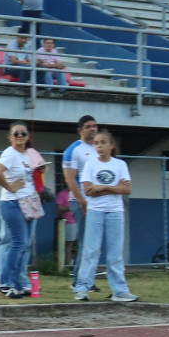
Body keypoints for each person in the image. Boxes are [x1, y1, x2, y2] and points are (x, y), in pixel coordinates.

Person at [74, 129, 138, 302]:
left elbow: (127, 189)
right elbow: (88, 191)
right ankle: (82, 288)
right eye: (96, 143)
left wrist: (102, 187)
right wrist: (113, 188)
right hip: (96, 211)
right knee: (91, 250)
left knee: (115, 253)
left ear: (111, 145)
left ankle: (120, 290)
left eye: (103, 143)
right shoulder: (90, 165)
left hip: (115, 212)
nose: (99, 146)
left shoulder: (120, 165)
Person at [0, 122, 38, 299]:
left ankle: (17, 284)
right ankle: (4, 282)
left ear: (28, 136)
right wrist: (10, 187)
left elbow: (36, 173)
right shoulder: (9, 153)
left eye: (23, 133)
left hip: (29, 202)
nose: (20, 136)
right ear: (10, 137)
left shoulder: (28, 154)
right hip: (12, 203)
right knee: (17, 243)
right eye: (16, 133)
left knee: (24, 244)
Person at [63, 114, 100, 286]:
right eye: (88, 126)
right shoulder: (74, 149)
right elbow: (70, 179)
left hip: (99, 201)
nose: (92, 129)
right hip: (81, 201)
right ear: (80, 130)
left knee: (94, 243)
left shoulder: (100, 148)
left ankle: (86, 279)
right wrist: (82, 201)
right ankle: (80, 281)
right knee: (87, 241)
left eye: (94, 126)